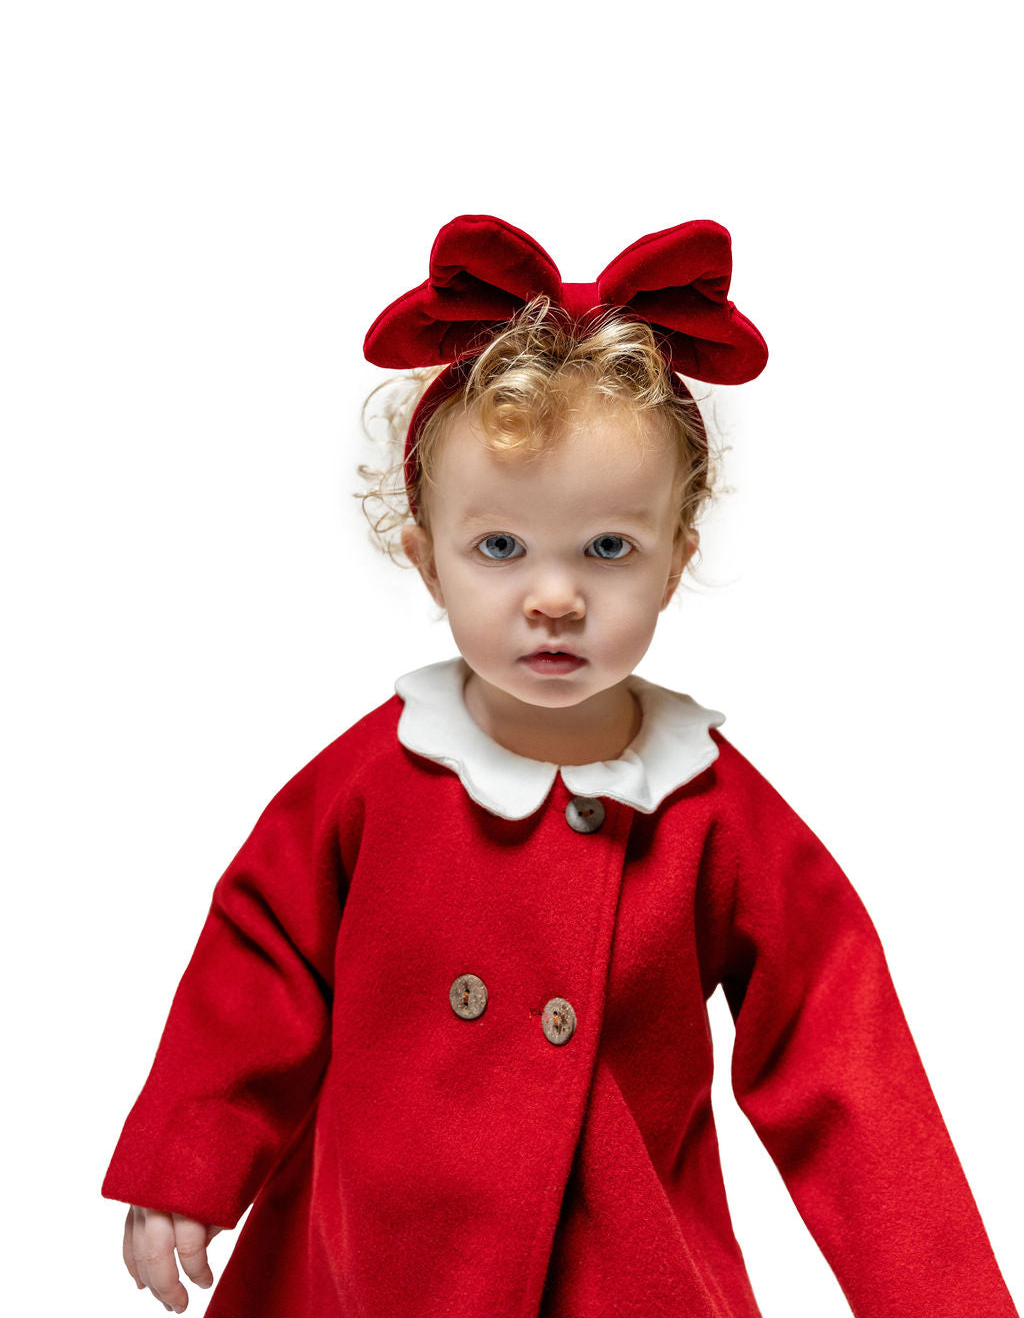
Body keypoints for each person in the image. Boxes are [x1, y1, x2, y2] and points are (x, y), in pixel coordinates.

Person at [102, 214, 1019, 1317]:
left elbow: (841, 1048)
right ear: (426, 560)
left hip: (617, 1263)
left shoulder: (709, 810)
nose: (554, 596)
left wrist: (938, 1295)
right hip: (378, 1257)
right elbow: (258, 959)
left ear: (676, 561)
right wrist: (189, 1167)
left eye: (608, 549)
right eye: (499, 547)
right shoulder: (370, 779)